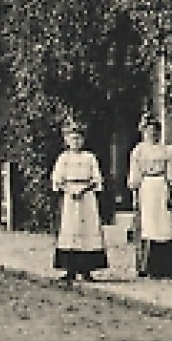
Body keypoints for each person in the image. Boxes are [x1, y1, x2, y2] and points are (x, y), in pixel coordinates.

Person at [50, 119, 109, 285]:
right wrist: (69, 190)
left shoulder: (89, 157)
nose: (76, 142)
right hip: (70, 196)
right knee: (70, 229)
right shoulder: (63, 158)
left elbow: (97, 178)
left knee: (87, 229)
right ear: (66, 141)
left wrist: (85, 189)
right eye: (72, 138)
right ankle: (70, 269)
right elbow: (57, 178)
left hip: (87, 196)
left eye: (78, 138)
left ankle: (87, 270)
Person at [127, 114, 172, 278]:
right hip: (147, 187)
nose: (153, 135)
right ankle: (146, 265)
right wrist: (135, 192)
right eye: (149, 132)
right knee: (148, 224)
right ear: (144, 132)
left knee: (164, 224)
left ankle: (166, 266)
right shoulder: (139, 150)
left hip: (161, 186)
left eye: (156, 132)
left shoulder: (167, 150)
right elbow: (135, 176)